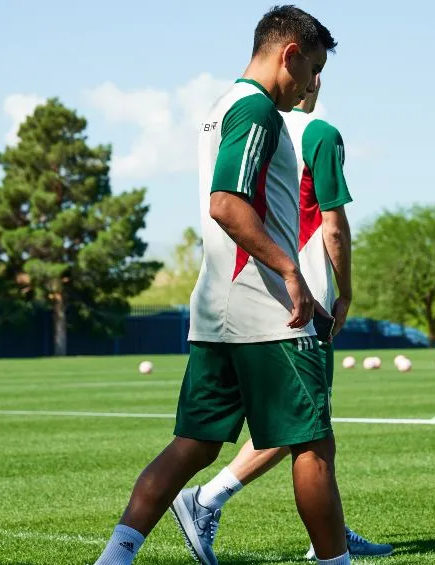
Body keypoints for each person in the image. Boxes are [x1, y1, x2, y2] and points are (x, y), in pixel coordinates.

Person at [91, 5, 350, 565]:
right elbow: (227, 205)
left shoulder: (219, 107)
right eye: (313, 68)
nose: (312, 83)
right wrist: (290, 271)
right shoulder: (258, 110)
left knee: (196, 444)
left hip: (216, 310)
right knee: (312, 443)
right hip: (269, 312)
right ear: (290, 55)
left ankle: (115, 558)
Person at [169, 77, 394, 561]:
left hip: (241, 293)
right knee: (308, 425)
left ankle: (326, 532)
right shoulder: (320, 134)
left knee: (305, 427)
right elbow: (332, 224)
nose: (314, 81)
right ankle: (210, 499)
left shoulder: (252, 122)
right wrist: (346, 291)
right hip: (301, 298)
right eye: (314, 68)